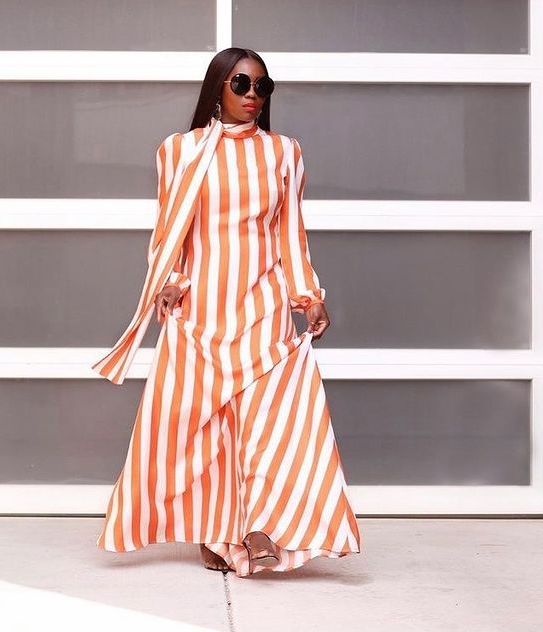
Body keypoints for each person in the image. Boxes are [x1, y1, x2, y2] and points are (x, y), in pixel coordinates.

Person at [92, 47, 361, 578]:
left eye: (263, 86)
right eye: (241, 84)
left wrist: (308, 295)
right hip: (202, 312)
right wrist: (171, 283)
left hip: (262, 307)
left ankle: (261, 527)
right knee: (202, 428)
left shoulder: (284, 152)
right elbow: (170, 230)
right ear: (218, 87)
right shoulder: (180, 150)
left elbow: (290, 234)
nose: (253, 95)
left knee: (271, 422)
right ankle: (216, 533)